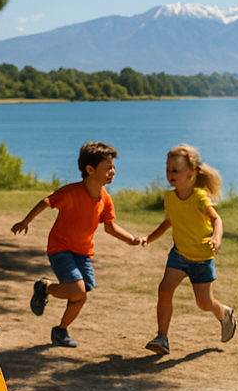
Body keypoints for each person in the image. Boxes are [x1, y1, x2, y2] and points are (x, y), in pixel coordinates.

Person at [11, 141, 142, 348]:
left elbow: (110, 227)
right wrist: (25, 221)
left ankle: (60, 330)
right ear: (90, 170)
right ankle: (44, 288)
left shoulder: (104, 199)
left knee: (81, 294)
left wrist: (131, 238)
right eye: (108, 168)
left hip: (84, 252)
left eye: (113, 167)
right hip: (60, 247)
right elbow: (47, 201)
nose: (113, 172)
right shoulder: (72, 192)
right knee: (78, 290)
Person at [142, 143, 236, 356]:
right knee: (164, 289)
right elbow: (170, 221)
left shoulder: (199, 197)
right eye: (168, 169)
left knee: (204, 303)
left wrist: (216, 237)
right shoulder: (169, 197)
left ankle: (224, 314)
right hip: (180, 254)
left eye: (175, 170)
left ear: (191, 172)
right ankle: (162, 337)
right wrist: (150, 237)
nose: (170, 174)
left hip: (202, 258)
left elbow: (216, 219)